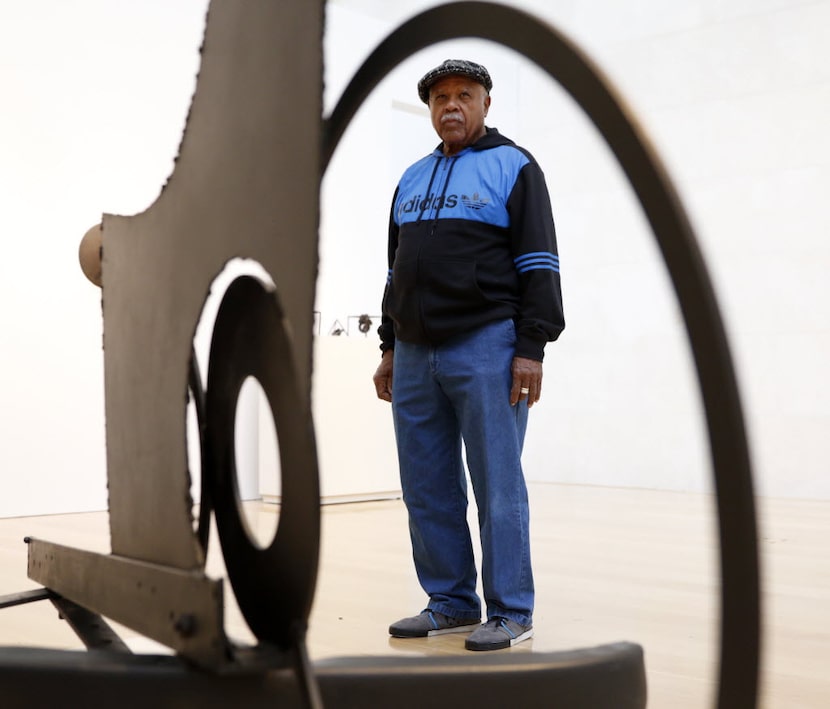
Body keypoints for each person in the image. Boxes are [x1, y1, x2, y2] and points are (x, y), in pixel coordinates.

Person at [372, 59, 565, 652]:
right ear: (430, 109)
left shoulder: (516, 166)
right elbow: (393, 271)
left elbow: (539, 263)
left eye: (464, 95)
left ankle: (511, 610)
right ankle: (452, 602)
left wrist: (530, 347)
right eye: (440, 98)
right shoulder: (410, 178)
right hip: (412, 352)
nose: (451, 106)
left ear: (485, 104)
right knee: (426, 483)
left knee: (497, 483)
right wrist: (387, 345)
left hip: (487, 343)